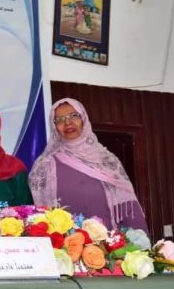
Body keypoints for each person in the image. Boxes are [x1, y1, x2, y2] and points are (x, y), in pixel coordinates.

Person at [29, 98, 149, 232]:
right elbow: (40, 213)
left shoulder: (106, 160)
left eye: (74, 115)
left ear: (83, 119)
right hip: (64, 243)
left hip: (108, 242)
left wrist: (139, 239)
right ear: (54, 127)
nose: (67, 122)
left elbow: (128, 206)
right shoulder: (44, 165)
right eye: (59, 119)